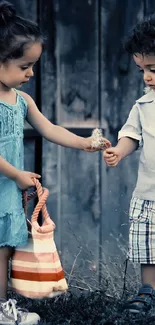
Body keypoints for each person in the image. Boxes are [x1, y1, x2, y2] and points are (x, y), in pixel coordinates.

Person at [0, 1, 111, 324]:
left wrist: (84, 143)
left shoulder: (22, 100)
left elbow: (50, 129)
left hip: (8, 189)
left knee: (5, 247)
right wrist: (17, 174)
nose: (31, 73)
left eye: (33, 65)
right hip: (8, 180)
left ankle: (3, 304)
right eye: (24, 66)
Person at [103, 13, 155, 314]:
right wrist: (119, 152)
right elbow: (131, 135)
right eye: (141, 70)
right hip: (150, 192)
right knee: (149, 247)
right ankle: (148, 292)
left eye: (153, 69)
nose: (147, 77)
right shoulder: (144, 104)